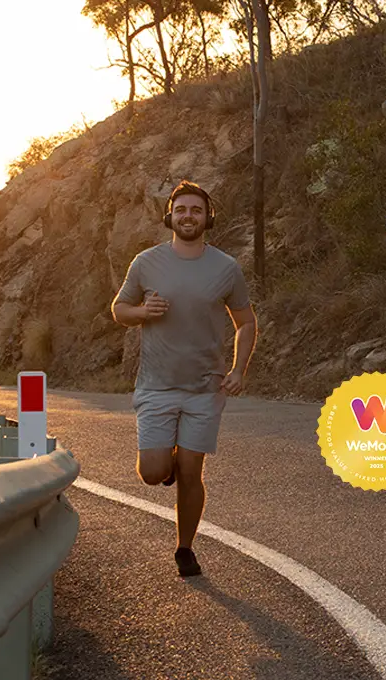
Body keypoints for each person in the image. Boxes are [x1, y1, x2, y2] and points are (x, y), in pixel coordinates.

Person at [111, 180, 258, 577]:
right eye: (181, 210)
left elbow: (245, 322)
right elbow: (119, 310)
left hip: (205, 388)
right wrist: (142, 313)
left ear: (208, 217)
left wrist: (239, 369)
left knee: (192, 472)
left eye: (196, 210)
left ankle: (185, 548)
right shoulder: (146, 262)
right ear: (169, 217)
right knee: (153, 473)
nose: (188, 216)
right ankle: (168, 461)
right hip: (156, 385)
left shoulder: (226, 268)